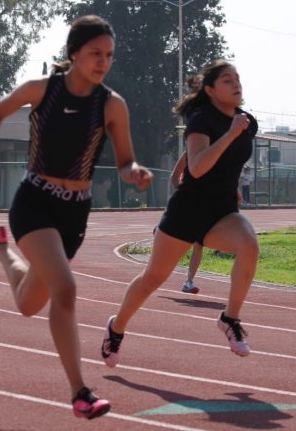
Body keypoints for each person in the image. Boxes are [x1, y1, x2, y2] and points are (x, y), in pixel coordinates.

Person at [0, 15, 153, 420]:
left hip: (74, 213)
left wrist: (134, 172)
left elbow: (124, 160)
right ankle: (80, 393)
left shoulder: (112, 105)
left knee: (29, 304)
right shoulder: (43, 89)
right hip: (35, 202)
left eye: (109, 55)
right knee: (65, 290)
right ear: (74, 53)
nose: (103, 62)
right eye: (95, 54)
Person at [101, 60, 259, 366]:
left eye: (238, 79)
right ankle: (116, 327)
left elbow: (233, 161)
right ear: (211, 90)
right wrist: (228, 135)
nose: (236, 84)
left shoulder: (247, 122)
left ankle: (230, 318)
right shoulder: (201, 120)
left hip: (222, 212)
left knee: (249, 245)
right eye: (228, 80)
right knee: (153, 279)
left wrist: (235, 183)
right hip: (187, 212)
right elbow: (197, 167)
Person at [169, 152, 203, 294]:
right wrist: (182, 196)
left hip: (202, 207)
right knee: (175, 244)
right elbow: (174, 177)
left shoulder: (218, 152)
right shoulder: (189, 153)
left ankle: (189, 281)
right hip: (183, 204)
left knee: (199, 244)